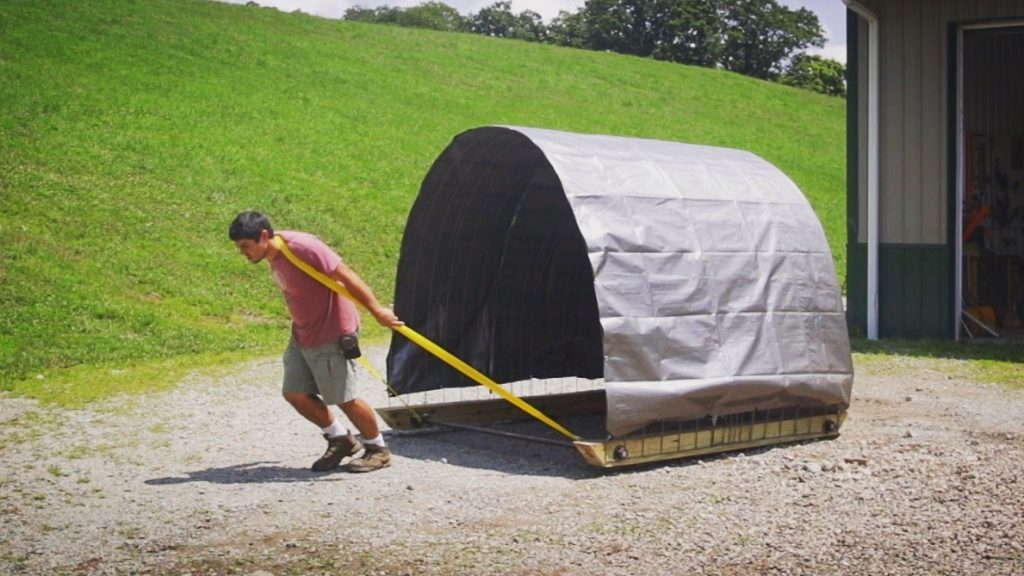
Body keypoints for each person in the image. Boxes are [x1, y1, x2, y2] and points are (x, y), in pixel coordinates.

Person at [229, 210, 403, 473]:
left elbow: (344, 274)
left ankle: (378, 449)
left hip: (332, 332)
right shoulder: (276, 252)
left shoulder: (302, 247)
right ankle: (340, 438)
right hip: (303, 333)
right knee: (294, 392)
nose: (243, 253)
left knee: (344, 397)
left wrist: (377, 310)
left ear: (263, 236)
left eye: (245, 246)